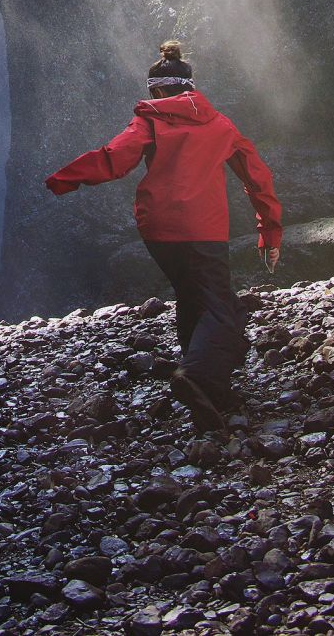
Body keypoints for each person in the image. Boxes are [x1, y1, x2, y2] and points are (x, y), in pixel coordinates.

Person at [45, 40, 282, 431]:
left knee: (192, 297)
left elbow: (113, 158)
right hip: (203, 228)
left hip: (157, 230)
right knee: (223, 309)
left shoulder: (149, 121)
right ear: (191, 89)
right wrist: (269, 231)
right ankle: (197, 377)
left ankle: (207, 390)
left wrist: (62, 179)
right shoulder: (220, 125)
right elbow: (258, 178)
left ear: (155, 90)